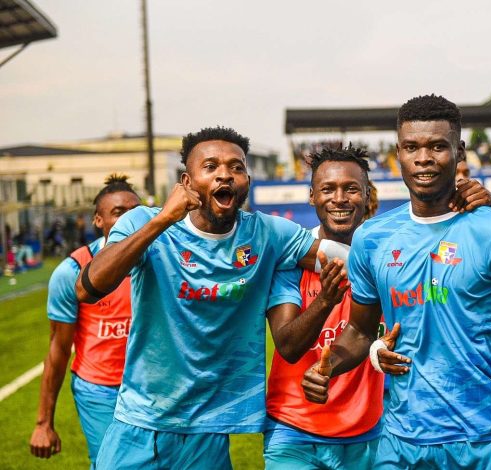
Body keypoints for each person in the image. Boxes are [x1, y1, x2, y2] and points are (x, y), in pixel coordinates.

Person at [301, 95, 491, 469]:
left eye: (437, 146)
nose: (423, 157)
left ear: (459, 152)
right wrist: (328, 366)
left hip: (485, 439)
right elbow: (359, 330)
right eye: (412, 147)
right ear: (399, 153)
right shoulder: (372, 238)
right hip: (401, 442)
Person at [74, 127, 349, 469]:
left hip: (211, 429)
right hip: (143, 421)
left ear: (247, 179)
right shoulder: (145, 222)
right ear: (187, 182)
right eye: (211, 166)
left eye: (236, 167)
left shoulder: (267, 233)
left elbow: (343, 258)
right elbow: (89, 287)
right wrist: (163, 219)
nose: (225, 174)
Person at [264, 145, 491, 469]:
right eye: (328, 189)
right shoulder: (291, 259)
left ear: (366, 194)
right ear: (312, 196)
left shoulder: (392, 254)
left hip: (369, 432)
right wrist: (326, 300)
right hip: (294, 431)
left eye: (351, 189)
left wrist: (486, 214)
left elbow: (423, 323)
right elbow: (288, 346)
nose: (340, 199)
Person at [29, 174, 141, 468]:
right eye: (118, 212)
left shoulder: (164, 262)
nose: (129, 219)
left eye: (135, 211)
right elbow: (58, 348)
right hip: (100, 390)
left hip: (152, 387)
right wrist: (44, 422)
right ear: (98, 221)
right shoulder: (72, 271)